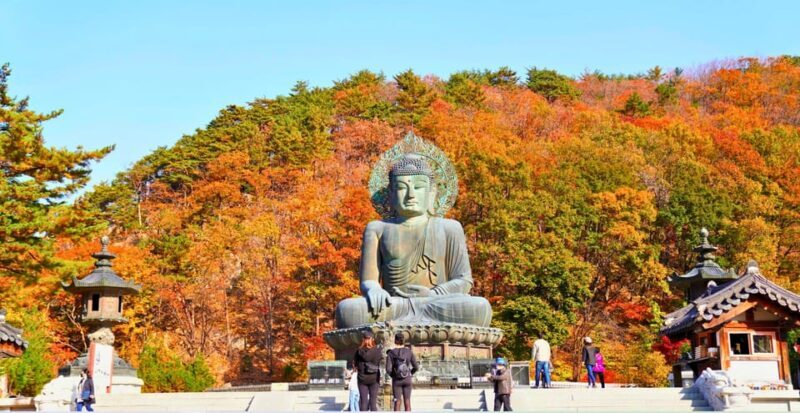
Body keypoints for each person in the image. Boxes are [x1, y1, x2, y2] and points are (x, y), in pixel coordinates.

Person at [334, 152, 492, 329]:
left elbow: (464, 281)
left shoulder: (449, 228)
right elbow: (368, 280)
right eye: (402, 188)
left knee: (479, 307)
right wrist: (374, 290)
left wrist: (433, 295)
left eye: (418, 187)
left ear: (432, 193)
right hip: (393, 306)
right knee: (348, 310)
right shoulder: (377, 228)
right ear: (391, 195)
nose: (410, 195)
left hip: (436, 303)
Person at [386, 332, 419, 411]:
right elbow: (416, 367)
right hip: (407, 379)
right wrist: (410, 373)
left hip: (397, 380)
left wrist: (394, 375)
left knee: (397, 402)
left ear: (395, 341)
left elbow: (388, 369)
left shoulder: (391, 353)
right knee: (407, 401)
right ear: (404, 341)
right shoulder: (409, 352)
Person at [354, 331, 382, 411]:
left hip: (362, 379)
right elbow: (381, 361)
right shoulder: (377, 350)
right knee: (373, 402)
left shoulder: (359, 351)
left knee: (363, 401)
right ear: (372, 339)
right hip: (374, 378)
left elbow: (355, 365)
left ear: (363, 339)